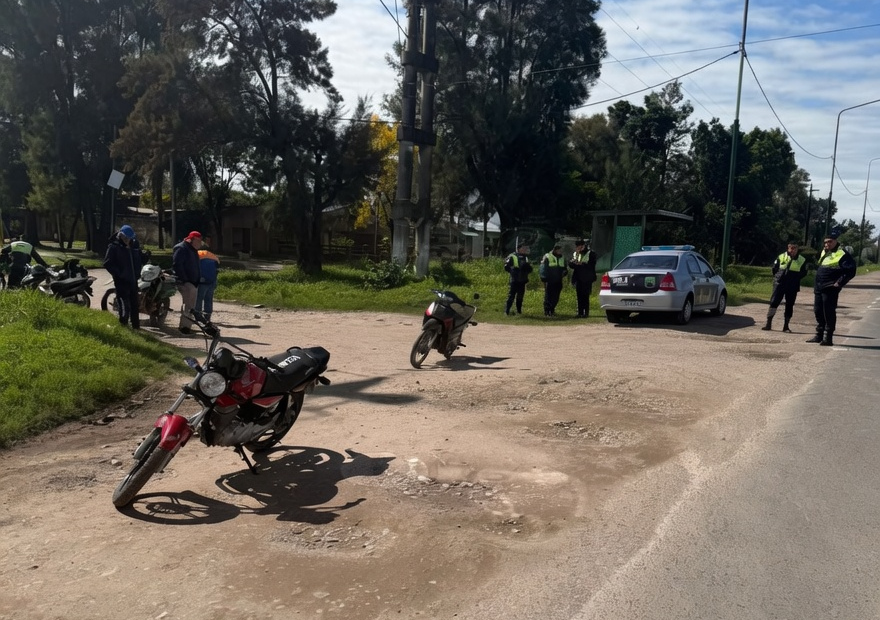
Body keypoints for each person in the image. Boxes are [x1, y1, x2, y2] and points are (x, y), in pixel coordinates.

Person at [806, 230, 856, 346]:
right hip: (819, 286)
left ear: (835, 241)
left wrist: (839, 283)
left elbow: (850, 271)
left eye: (830, 242)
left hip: (830, 287)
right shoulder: (825, 252)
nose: (827, 244)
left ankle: (828, 338)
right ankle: (819, 334)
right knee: (818, 311)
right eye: (825, 242)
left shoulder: (842, 254)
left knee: (828, 312)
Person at [103, 225, 144, 329]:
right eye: (125, 238)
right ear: (120, 235)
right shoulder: (113, 247)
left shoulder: (134, 245)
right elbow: (108, 264)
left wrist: (145, 257)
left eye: (129, 238)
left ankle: (136, 328)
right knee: (124, 305)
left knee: (135, 305)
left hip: (133, 280)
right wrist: (119, 274)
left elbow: (139, 260)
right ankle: (123, 327)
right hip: (121, 281)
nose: (127, 241)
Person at [761, 242, 807, 332]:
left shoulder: (802, 259)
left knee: (789, 304)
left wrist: (795, 278)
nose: (793, 250)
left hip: (792, 285)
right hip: (779, 283)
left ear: (797, 249)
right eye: (791, 248)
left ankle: (786, 326)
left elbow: (804, 272)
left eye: (795, 248)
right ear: (788, 248)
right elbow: (775, 268)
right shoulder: (781, 256)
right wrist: (777, 277)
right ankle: (768, 323)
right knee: (774, 302)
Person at [172, 230, 203, 334]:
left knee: (191, 306)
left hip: (192, 282)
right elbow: (177, 265)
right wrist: (185, 280)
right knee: (189, 305)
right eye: (198, 241)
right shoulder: (181, 248)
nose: (200, 243)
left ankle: (187, 325)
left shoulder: (192, 249)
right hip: (185, 281)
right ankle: (184, 328)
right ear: (191, 240)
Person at [568, 239, 597, 317]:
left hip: (587, 278)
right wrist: (573, 263)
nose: (578, 248)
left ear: (584, 245)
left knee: (585, 295)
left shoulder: (591, 253)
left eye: (580, 246)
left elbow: (591, 265)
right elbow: (571, 264)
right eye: (577, 246)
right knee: (579, 295)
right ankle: (579, 312)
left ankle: (586, 313)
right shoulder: (576, 254)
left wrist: (581, 264)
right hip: (578, 277)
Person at [504, 242, 533, 315]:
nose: (524, 250)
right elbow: (506, 267)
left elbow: (528, 269)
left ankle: (519, 311)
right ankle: (507, 311)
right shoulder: (512, 256)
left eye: (525, 248)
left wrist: (528, 269)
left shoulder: (525, 257)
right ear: (519, 249)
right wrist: (513, 271)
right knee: (511, 296)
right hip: (514, 279)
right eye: (523, 248)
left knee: (520, 297)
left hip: (522, 280)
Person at [539, 243, 568, 317]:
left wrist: (565, 272)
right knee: (548, 296)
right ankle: (547, 311)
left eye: (560, 249)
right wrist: (543, 277)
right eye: (558, 249)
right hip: (549, 279)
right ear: (554, 249)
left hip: (558, 280)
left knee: (556, 296)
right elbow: (543, 267)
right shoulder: (547, 256)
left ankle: (552, 310)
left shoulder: (562, 258)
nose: (559, 250)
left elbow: (564, 268)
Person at [196, 236, 220, 322]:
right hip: (212, 280)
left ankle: (198, 315)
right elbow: (217, 268)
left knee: (199, 298)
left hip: (202, 281)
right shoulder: (213, 256)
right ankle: (207, 316)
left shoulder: (197, 255)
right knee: (209, 299)